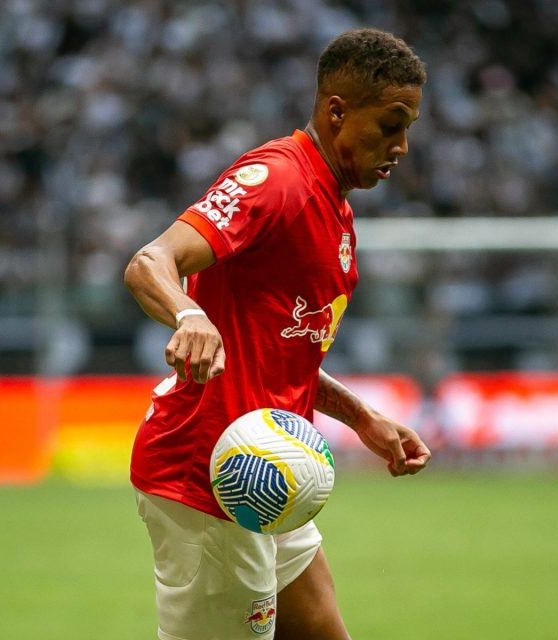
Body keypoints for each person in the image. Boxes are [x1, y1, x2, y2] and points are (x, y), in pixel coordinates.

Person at [124, 28, 431, 640]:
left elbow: (278, 353)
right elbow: (149, 263)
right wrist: (190, 314)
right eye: (390, 124)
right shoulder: (278, 182)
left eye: (409, 128)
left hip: (271, 472)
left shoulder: (336, 207)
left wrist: (359, 416)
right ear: (336, 110)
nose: (401, 145)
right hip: (208, 475)